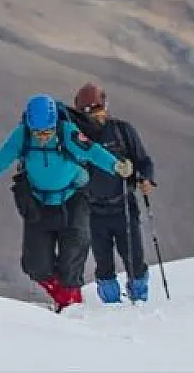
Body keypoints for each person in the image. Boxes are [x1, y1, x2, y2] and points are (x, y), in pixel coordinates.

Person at [0, 93, 132, 312]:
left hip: (73, 199)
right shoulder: (22, 136)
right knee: (35, 265)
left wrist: (116, 166)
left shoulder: (67, 133)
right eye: (38, 132)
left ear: (55, 124)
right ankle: (66, 298)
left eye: (47, 131)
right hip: (38, 203)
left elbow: (92, 152)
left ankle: (71, 304)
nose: (43, 136)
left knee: (72, 255)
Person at [72, 82, 157, 303]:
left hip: (124, 206)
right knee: (103, 263)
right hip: (93, 209)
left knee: (134, 259)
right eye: (90, 112)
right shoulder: (77, 139)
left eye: (100, 109)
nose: (97, 116)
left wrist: (146, 179)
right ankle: (111, 305)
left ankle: (139, 299)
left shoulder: (122, 131)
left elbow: (143, 160)